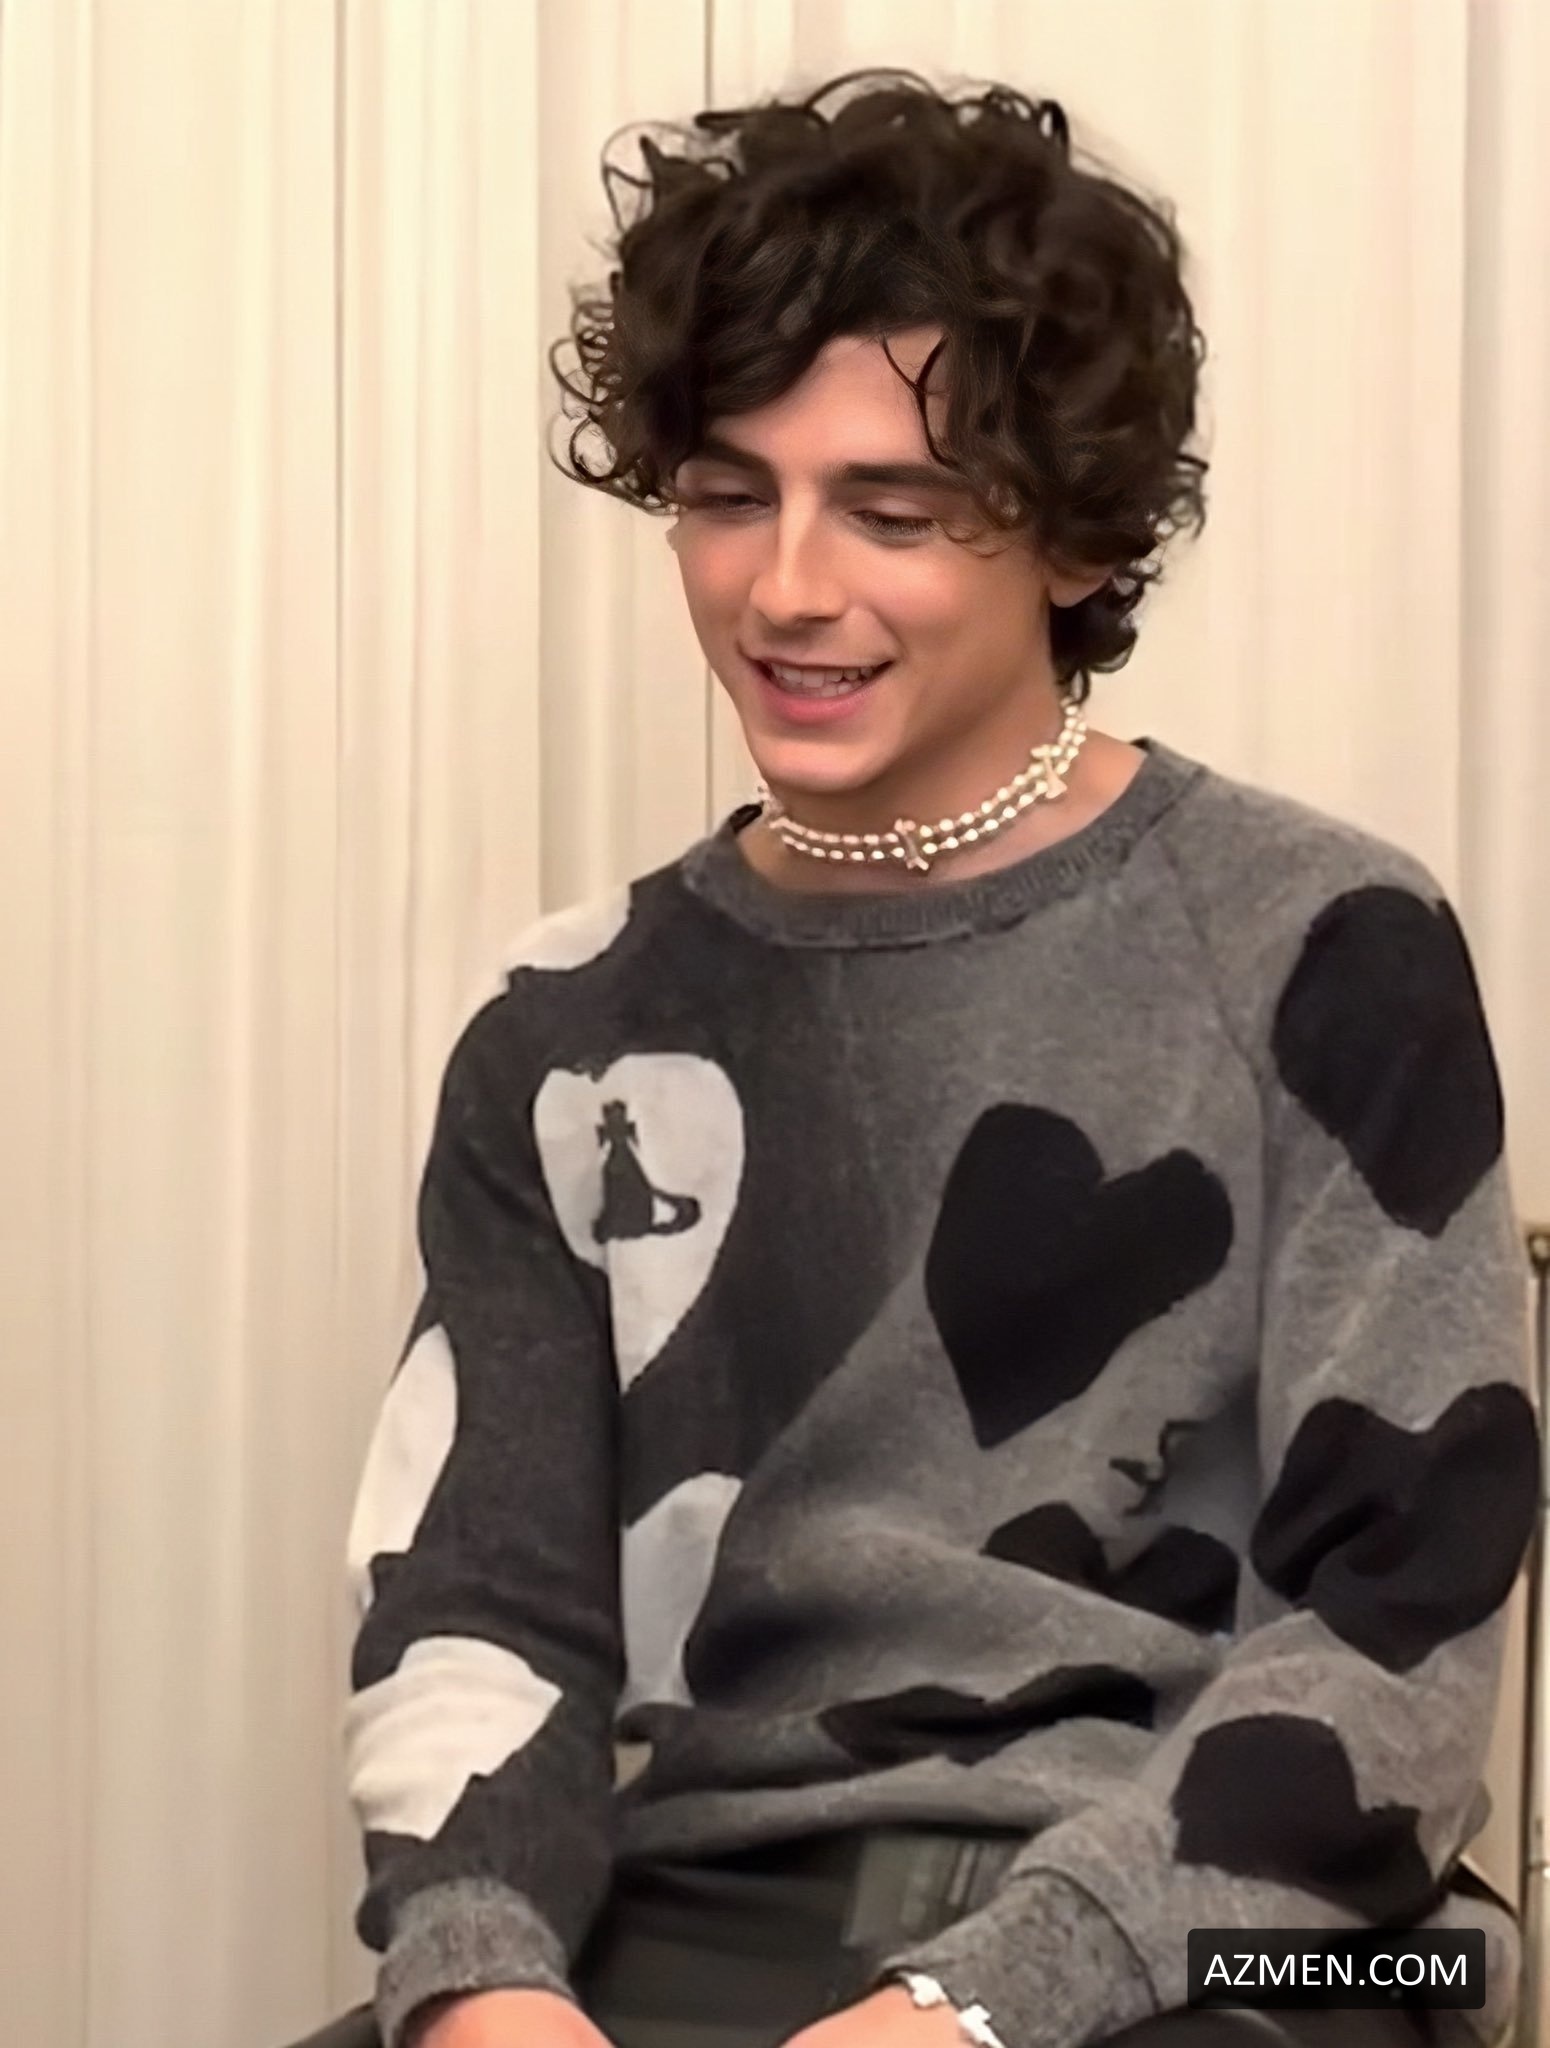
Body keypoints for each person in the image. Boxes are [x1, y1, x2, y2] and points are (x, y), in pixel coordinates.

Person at [291, 67, 1540, 2048]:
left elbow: (1395, 1629)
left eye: (891, 510)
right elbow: (478, 1606)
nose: (785, 587)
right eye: (727, 494)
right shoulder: (563, 1026)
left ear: (1074, 538)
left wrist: (977, 2006)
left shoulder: (1320, 943)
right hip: (710, 1901)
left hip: (1264, 1928)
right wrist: (484, 1987)